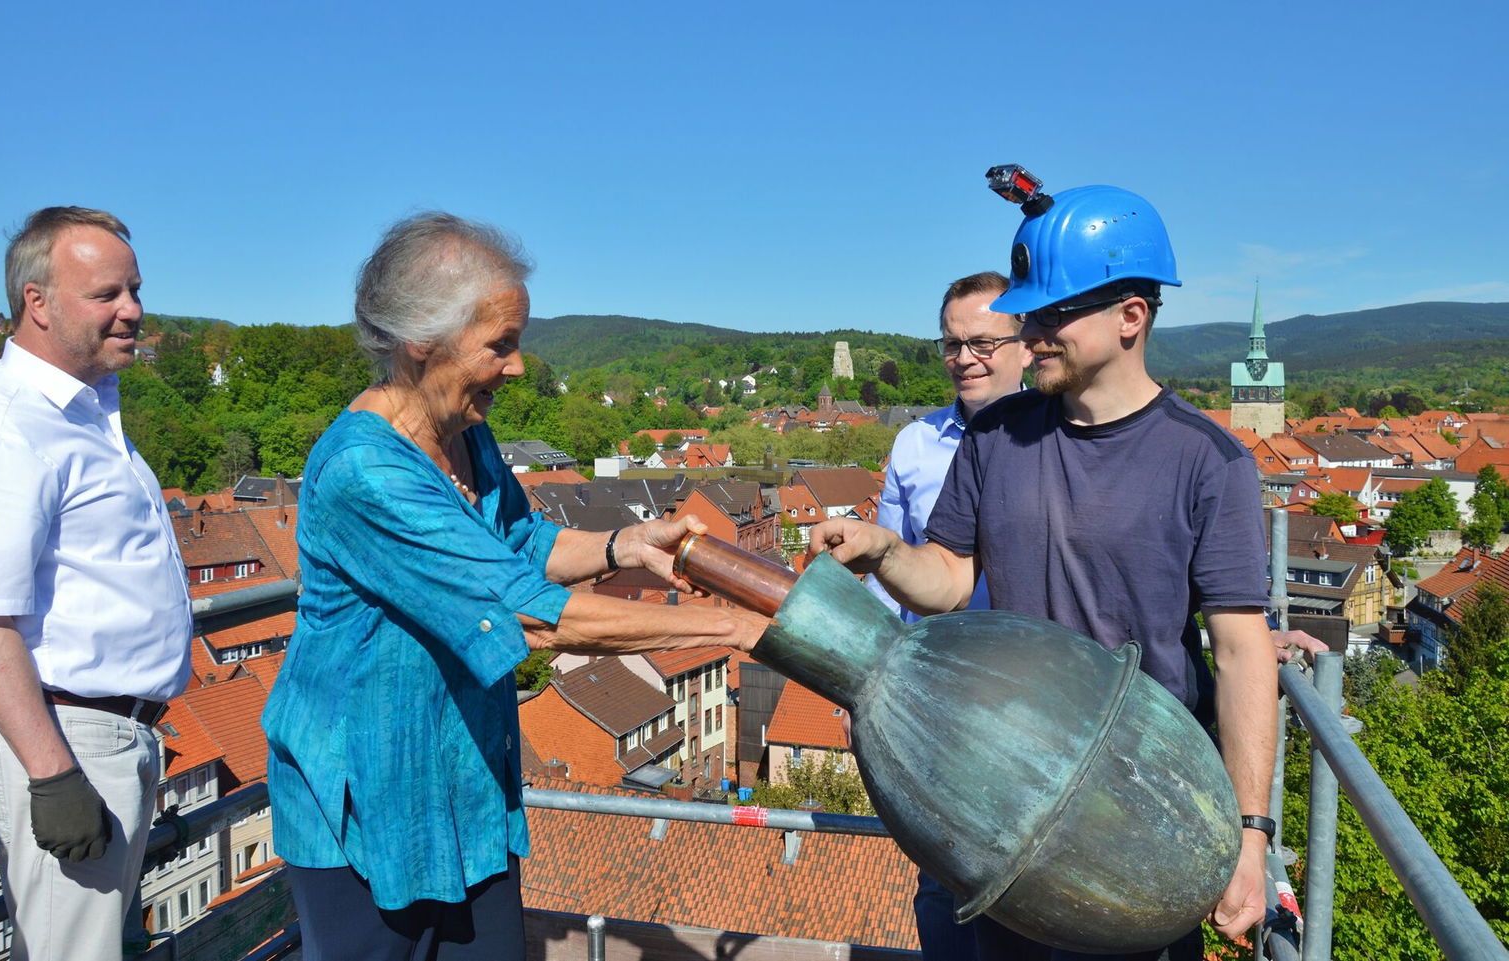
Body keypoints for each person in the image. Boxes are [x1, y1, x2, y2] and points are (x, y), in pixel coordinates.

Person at [260, 213, 767, 961]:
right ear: (420, 339)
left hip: (465, 788)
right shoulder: (367, 472)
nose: (521, 366)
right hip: (368, 810)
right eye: (500, 343)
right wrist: (730, 628)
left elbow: (522, 545)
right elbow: (524, 614)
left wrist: (624, 542)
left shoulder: (465, 434)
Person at [809, 179, 1279, 960]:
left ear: (1132, 316)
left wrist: (1250, 835)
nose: (1033, 330)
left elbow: (1240, 650)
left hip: (1140, 816)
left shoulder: (1207, 460)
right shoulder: (996, 435)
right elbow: (952, 580)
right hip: (1003, 794)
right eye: (1031, 313)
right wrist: (885, 550)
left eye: (1055, 312)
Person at [0, 207, 191, 961]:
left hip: (102, 732)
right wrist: (53, 772)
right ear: (37, 302)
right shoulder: (3, 428)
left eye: (134, 289)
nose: (133, 309)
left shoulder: (85, 412)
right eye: (107, 293)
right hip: (60, 736)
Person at [866, 271, 1030, 960]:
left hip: (1027, 698)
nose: (965, 357)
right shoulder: (914, 445)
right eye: (952, 343)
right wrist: (867, 683)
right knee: (943, 883)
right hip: (937, 703)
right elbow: (885, 583)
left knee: (1027, 881)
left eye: (984, 341)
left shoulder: (1050, 443)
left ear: (1026, 346)